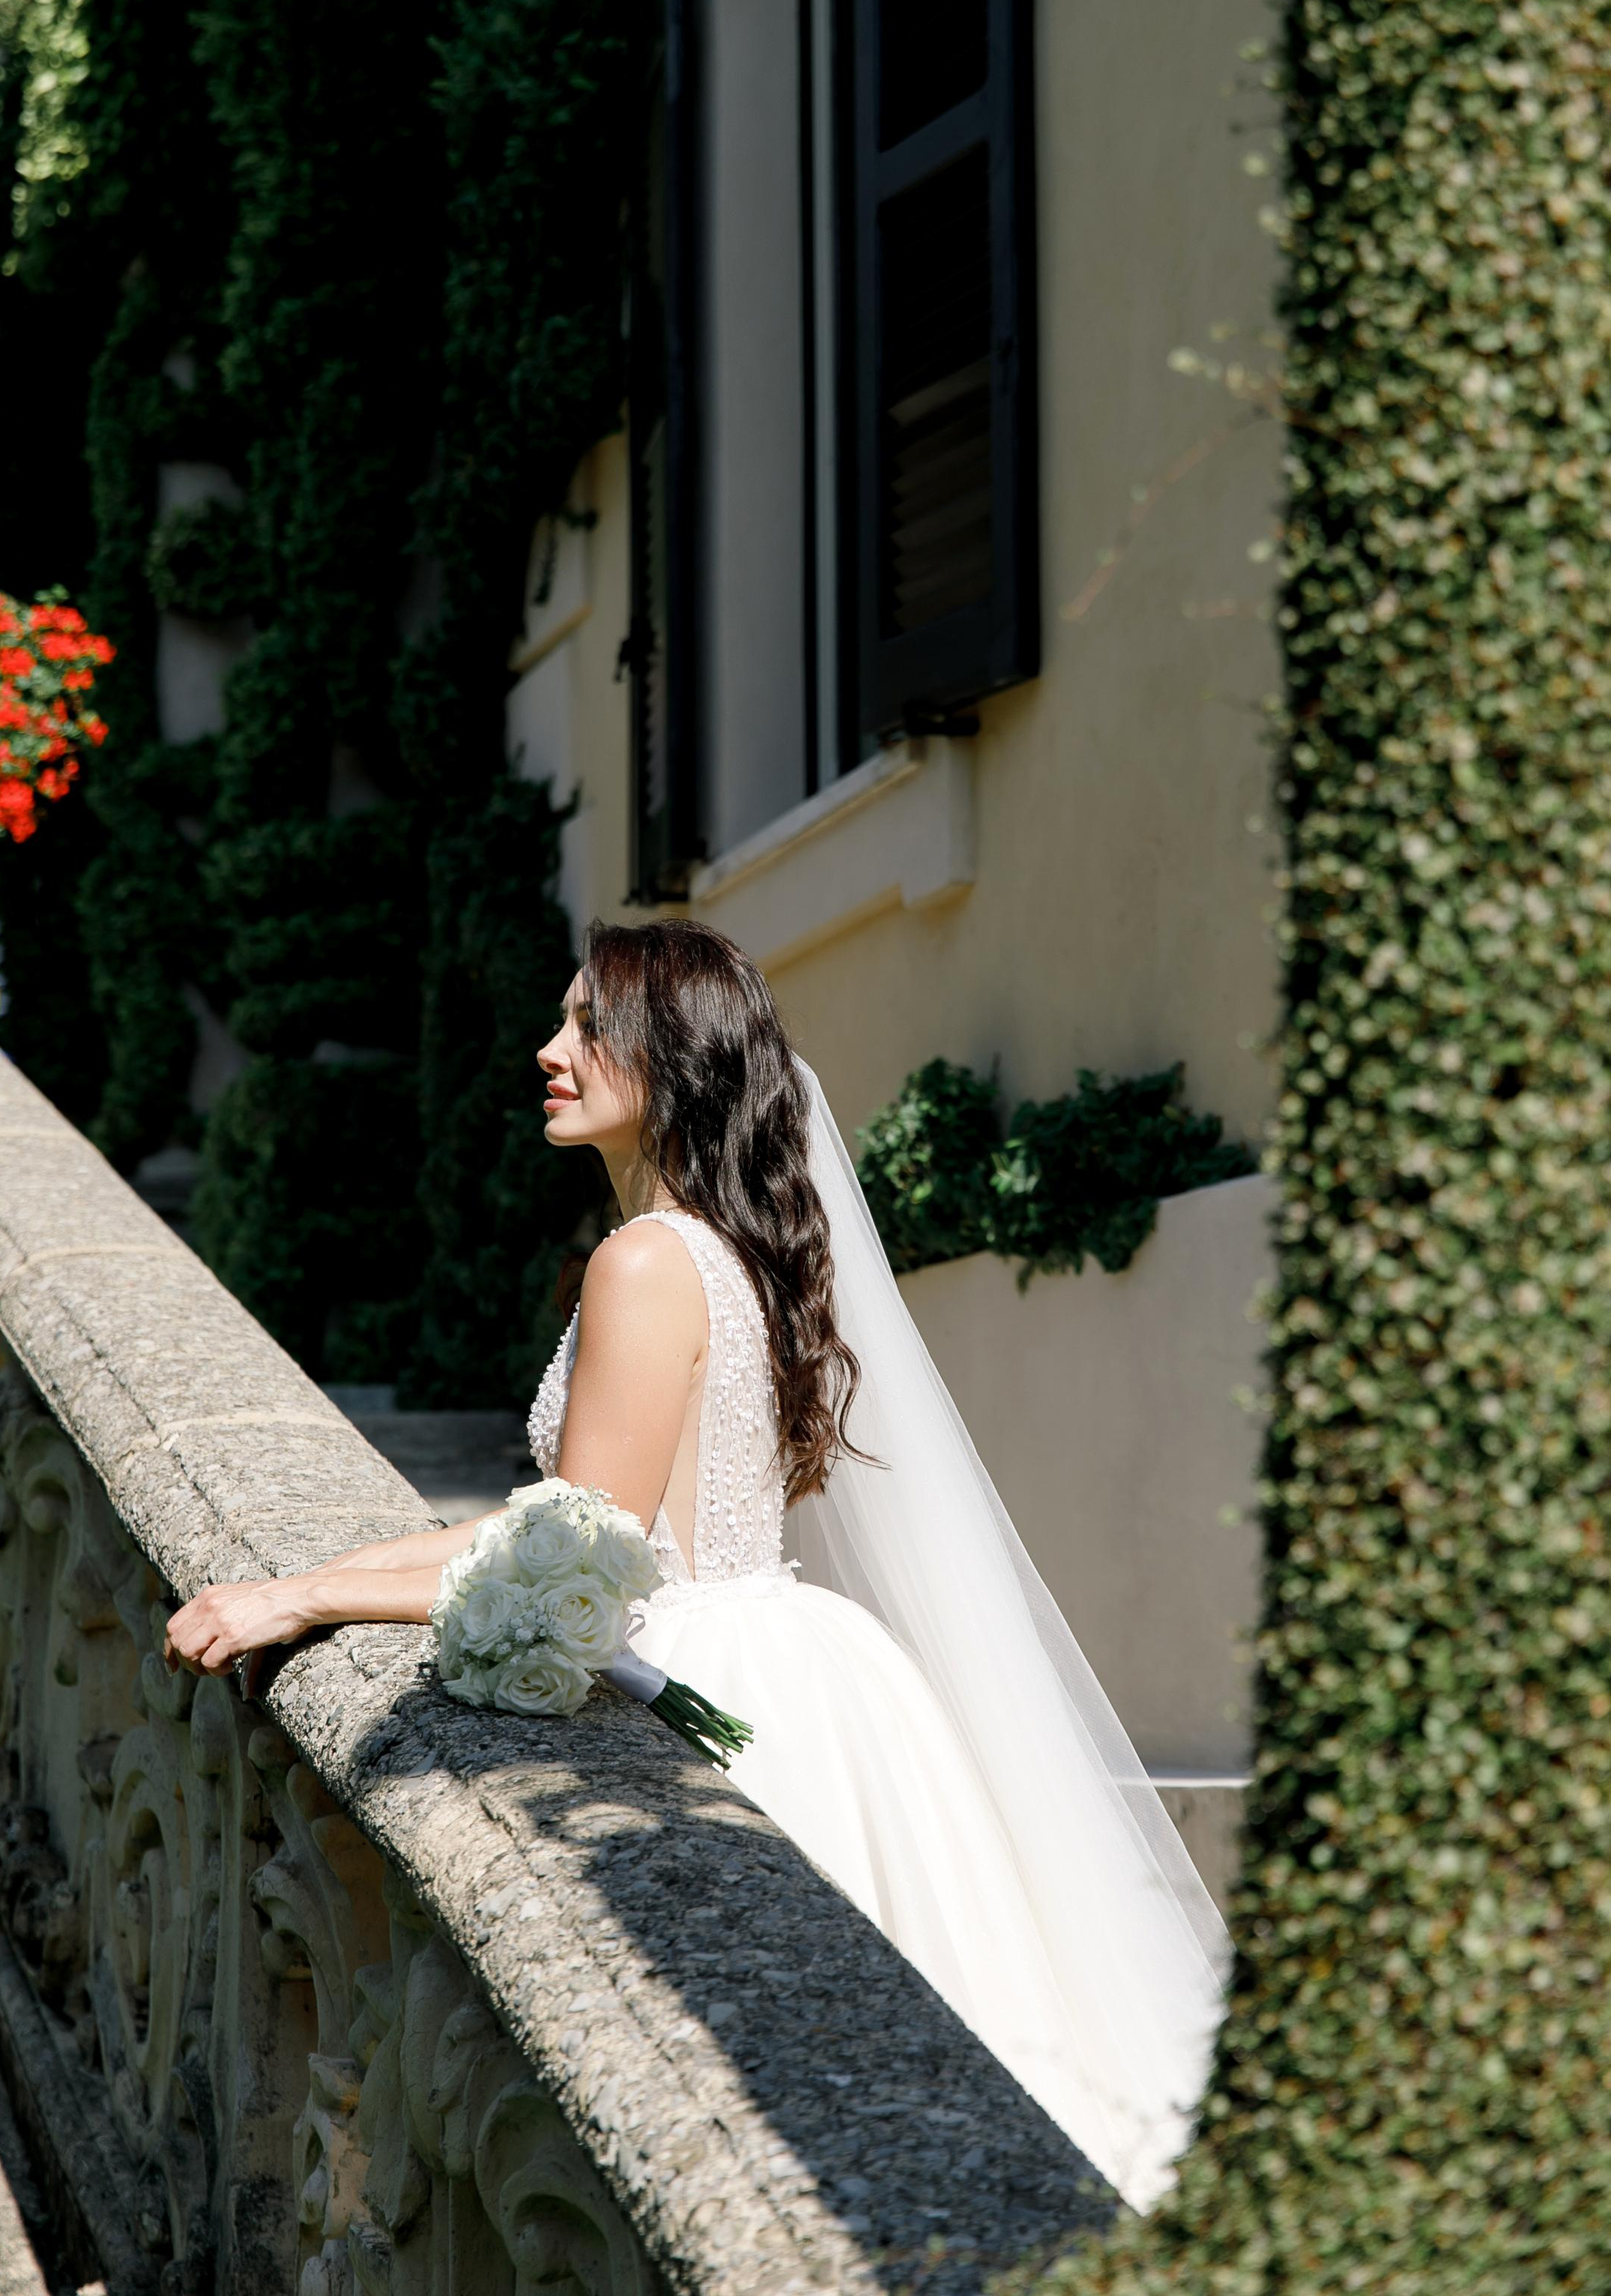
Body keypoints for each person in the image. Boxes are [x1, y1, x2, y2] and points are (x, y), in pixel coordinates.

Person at [166, 919, 1228, 2211]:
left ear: (675, 1063)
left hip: (711, 1679)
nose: (550, 1050)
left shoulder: (647, 1259)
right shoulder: (738, 1249)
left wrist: (307, 1596)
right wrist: (318, 1573)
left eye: (587, 1026)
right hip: (807, 1658)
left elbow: (577, 1543)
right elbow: (558, 1514)